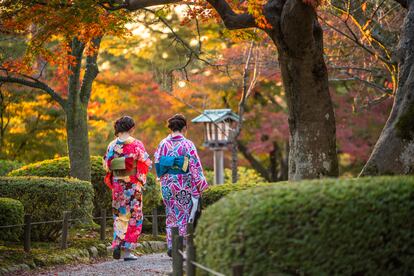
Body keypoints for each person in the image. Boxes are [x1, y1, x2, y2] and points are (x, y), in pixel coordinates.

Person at [154, 114, 208, 257]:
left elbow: (158, 165)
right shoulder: (187, 144)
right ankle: (178, 247)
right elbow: (195, 166)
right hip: (183, 184)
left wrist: (164, 175)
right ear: (184, 128)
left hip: (166, 184)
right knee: (183, 215)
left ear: (170, 127)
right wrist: (200, 185)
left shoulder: (162, 143)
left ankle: (172, 245)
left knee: (171, 214)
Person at [103, 116, 152, 261]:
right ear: (131, 128)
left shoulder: (112, 145)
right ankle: (127, 250)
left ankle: (117, 243)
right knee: (135, 215)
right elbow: (147, 162)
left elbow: (107, 165)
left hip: (118, 185)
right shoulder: (136, 144)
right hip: (132, 186)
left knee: (120, 214)